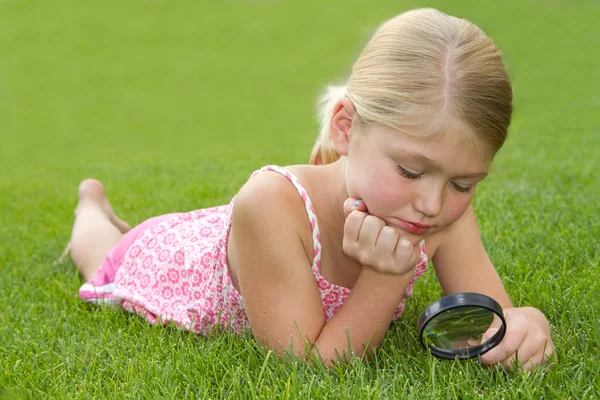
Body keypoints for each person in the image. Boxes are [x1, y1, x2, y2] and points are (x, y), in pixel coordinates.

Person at [63, 8, 554, 371]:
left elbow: (492, 319)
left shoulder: (440, 211)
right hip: (170, 258)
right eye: (409, 171)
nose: (431, 204)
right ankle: (91, 202)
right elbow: (309, 367)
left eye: (462, 183)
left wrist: (524, 324)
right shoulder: (272, 204)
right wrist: (385, 278)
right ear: (345, 128)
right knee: (101, 253)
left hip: (241, 244)